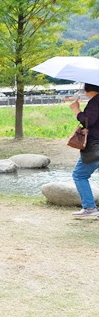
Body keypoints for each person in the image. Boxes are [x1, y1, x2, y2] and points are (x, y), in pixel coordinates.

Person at [70, 84, 99, 218]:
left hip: (95, 146)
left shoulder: (96, 102)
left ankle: (89, 207)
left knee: (79, 175)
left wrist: (76, 110)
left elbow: (88, 121)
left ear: (88, 89)